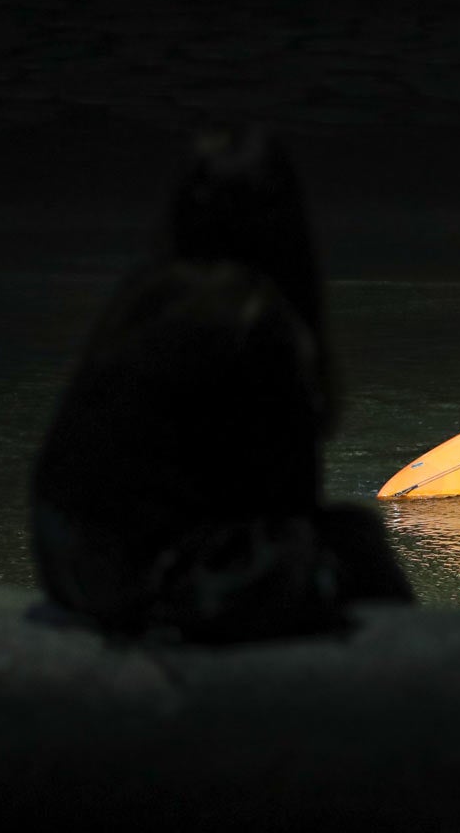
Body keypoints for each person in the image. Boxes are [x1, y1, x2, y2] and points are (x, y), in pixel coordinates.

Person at [29, 123, 413, 643]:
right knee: (356, 543)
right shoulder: (252, 318)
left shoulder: (141, 298)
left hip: (64, 563)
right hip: (142, 578)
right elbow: (282, 493)